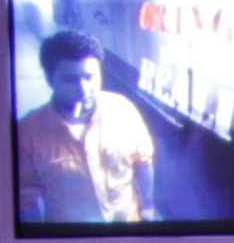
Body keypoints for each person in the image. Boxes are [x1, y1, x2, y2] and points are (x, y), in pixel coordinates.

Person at [13, 29, 160, 226]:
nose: (83, 89)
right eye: (70, 79)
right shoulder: (28, 133)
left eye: (90, 77)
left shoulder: (124, 110)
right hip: (71, 239)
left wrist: (147, 207)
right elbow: (26, 197)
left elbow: (143, 161)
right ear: (49, 79)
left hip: (127, 229)